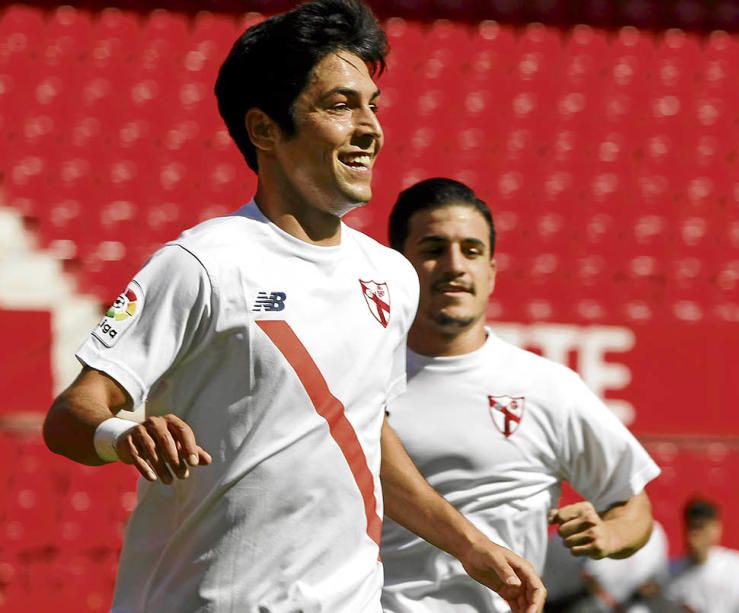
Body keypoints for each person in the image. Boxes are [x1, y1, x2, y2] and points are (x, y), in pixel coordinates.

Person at [41, 3, 544, 611]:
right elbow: (70, 415)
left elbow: (362, 435)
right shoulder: (202, 264)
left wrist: (470, 545)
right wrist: (124, 434)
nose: (370, 128)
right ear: (264, 130)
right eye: (340, 105)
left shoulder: (392, 276)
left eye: (373, 105)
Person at [379, 177, 661, 612]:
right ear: (398, 267)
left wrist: (608, 534)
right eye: (434, 249)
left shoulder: (547, 386)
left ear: (491, 271)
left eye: (472, 251)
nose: (455, 265)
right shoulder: (356, 379)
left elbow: (633, 506)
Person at [543, 520, 669, 612]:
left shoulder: (654, 533)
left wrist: (647, 589)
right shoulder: (591, 529)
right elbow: (588, 577)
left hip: (623, 603)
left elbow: (655, 584)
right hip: (567, 598)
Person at [659, 498, 739, 613]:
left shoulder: (737, 566)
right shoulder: (671, 572)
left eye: (701, 527)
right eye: (692, 527)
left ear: (716, 528)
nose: (696, 534)